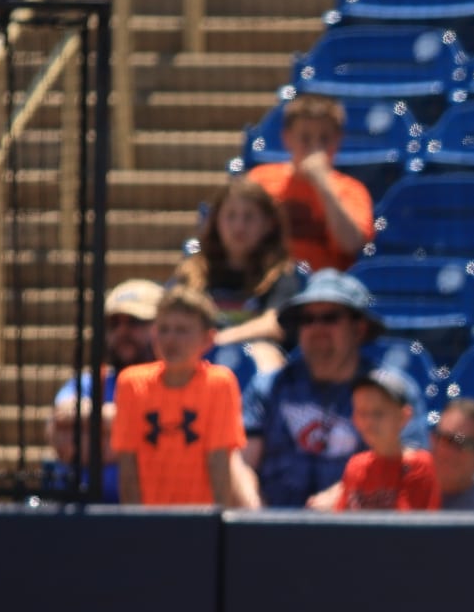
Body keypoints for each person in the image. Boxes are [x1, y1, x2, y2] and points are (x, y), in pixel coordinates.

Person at [239, 269, 426, 508]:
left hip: (359, 531)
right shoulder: (269, 386)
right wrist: (255, 516)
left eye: (330, 318)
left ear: (358, 329)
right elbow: (243, 464)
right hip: (271, 527)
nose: (317, 328)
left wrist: (347, 493)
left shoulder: (391, 391)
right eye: (307, 319)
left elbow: (409, 463)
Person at [108, 286, 254, 508]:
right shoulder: (131, 383)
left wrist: (217, 526)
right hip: (149, 522)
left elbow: (219, 462)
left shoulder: (219, 384)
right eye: (164, 330)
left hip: (201, 521)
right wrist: (135, 524)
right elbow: (128, 462)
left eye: (182, 330)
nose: (171, 339)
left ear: (208, 339)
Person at [46, 278, 161, 502]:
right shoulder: (92, 381)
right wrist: (141, 435)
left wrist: (99, 430)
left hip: (153, 516)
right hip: (81, 514)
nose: (122, 332)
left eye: (135, 322)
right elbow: (62, 435)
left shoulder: (174, 382)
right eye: (114, 324)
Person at [170, 177, 300, 373]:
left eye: (249, 217)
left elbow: (276, 323)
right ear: (216, 222)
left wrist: (221, 338)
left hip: (255, 357)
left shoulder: (282, 274)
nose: (239, 227)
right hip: (201, 358)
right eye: (230, 216)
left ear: (268, 224)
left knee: (265, 353)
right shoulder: (193, 272)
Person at [246, 93, 373, 272]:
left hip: (324, 285)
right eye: (305, 138)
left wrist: (322, 180)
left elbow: (351, 243)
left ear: (337, 140)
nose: (315, 147)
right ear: (287, 138)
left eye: (324, 138)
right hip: (268, 277)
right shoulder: (259, 180)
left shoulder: (351, 190)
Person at [335, 368, 439, 511]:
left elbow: (412, 527)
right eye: (362, 413)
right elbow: (341, 523)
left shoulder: (421, 464)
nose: (369, 422)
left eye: (378, 413)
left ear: (404, 416)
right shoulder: (355, 466)